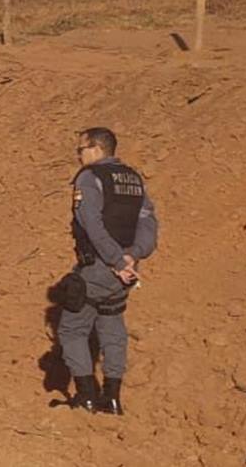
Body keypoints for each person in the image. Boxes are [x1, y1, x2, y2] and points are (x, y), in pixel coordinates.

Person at [57, 127, 158, 415]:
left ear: (97, 150)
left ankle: (86, 396)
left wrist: (115, 261)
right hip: (126, 268)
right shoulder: (133, 179)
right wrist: (132, 257)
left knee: (72, 329)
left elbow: (92, 224)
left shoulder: (90, 178)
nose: (78, 155)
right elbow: (149, 224)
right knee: (112, 327)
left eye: (81, 149)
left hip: (100, 266)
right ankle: (112, 398)